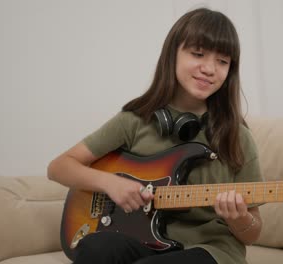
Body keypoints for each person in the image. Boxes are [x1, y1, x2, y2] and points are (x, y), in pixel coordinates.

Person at [48, 7, 262, 264]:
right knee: (95, 247)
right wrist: (110, 184)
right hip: (143, 241)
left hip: (211, 250)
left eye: (222, 61)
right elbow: (58, 167)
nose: (209, 68)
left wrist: (239, 219)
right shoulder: (135, 120)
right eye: (198, 54)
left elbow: (252, 232)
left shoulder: (238, 137)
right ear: (173, 54)